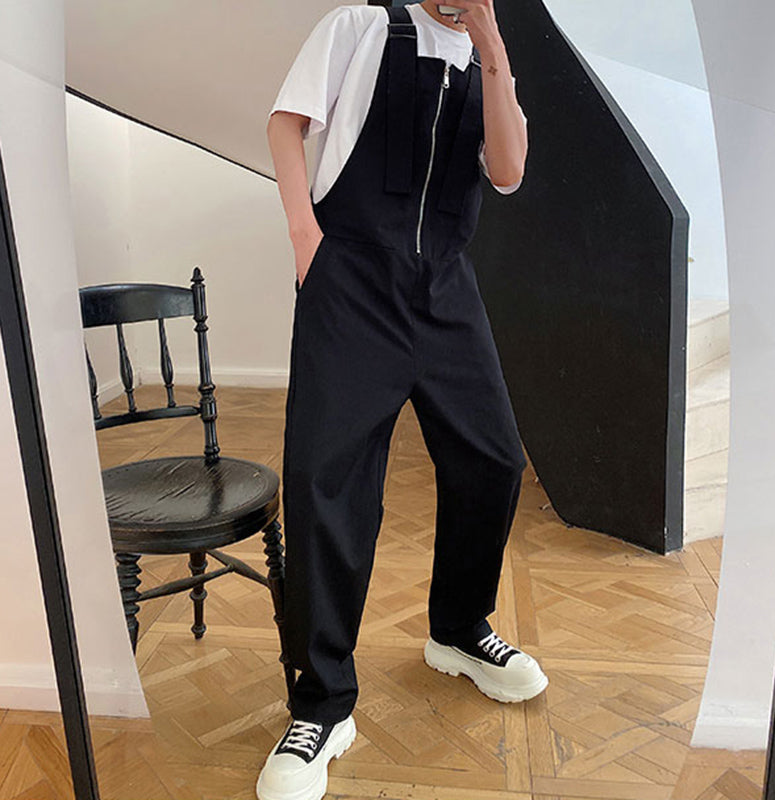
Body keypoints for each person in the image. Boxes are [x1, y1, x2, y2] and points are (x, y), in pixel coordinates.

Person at [259, 2, 547, 798]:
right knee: (326, 479)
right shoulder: (359, 28)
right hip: (351, 280)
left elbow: (508, 170)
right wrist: (305, 239)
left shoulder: (486, 59)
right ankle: (322, 704)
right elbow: (286, 124)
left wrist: (493, 47)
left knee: (493, 460)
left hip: (446, 287)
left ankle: (458, 629)